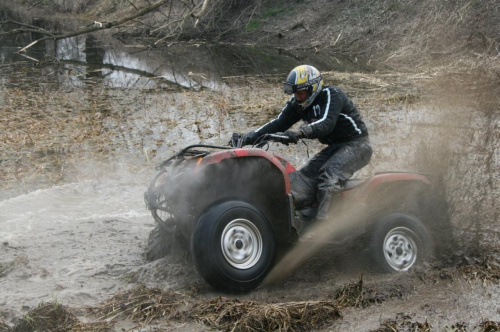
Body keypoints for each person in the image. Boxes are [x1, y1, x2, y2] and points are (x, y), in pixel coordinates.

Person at [241, 64, 372, 220]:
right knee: (302, 178)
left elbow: (326, 123)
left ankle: (326, 226)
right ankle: (301, 216)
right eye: (296, 93)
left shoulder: (332, 94)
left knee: (328, 176)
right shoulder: (297, 103)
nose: (298, 97)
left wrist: (300, 132)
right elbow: (278, 123)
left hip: (358, 146)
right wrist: (248, 137)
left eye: (301, 93)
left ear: (313, 88)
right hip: (335, 148)